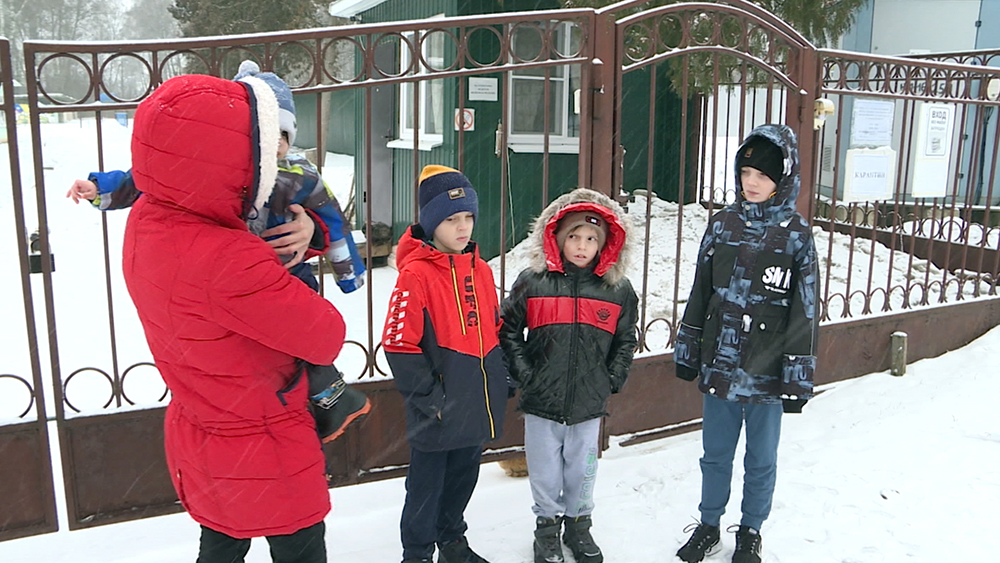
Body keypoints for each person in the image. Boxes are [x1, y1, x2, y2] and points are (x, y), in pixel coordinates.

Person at [66, 61, 369, 444]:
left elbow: (331, 216)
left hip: (285, 275)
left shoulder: (299, 174)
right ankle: (322, 398)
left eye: (284, 135)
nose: (275, 144)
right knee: (273, 347)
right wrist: (101, 188)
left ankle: (329, 397)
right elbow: (141, 179)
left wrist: (335, 256)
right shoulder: (211, 170)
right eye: (265, 134)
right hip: (236, 288)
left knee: (302, 339)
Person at [121, 72, 344, 562]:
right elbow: (325, 335)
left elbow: (232, 298)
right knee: (300, 550)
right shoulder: (226, 258)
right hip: (266, 444)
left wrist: (306, 232)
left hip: (203, 434)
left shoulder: (149, 221)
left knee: (220, 546)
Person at [672, 124, 819, 563]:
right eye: (746, 172)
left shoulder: (796, 234)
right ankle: (709, 523)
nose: (751, 182)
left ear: (783, 179)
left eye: (763, 175)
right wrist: (688, 347)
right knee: (714, 454)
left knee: (760, 459)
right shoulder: (722, 224)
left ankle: (751, 529)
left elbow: (804, 309)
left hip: (767, 370)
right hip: (720, 360)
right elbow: (701, 289)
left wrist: (797, 378)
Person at [499, 188, 639, 563]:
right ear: (557, 238)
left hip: (589, 401)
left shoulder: (616, 290)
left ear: (605, 244)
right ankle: (546, 527)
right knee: (544, 467)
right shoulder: (534, 282)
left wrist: (613, 375)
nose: (581, 245)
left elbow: (626, 338)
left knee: (582, 466)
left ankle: (579, 525)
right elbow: (508, 329)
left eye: (591, 238)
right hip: (542, 398)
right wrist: (525, 372)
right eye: (574, 236)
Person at [382, 165, 512, 563]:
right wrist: (430, 398)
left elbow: (494, 327)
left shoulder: (482, 270)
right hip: (436, 408)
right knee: (425, 487)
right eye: (451, 219)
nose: (462, 227)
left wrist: (500, 378)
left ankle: (452, 542)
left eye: (468, 217)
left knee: (462, 478)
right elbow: (398, 343)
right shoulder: (415, 276)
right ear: (430, 222)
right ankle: (417, 553)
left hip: (476, 402)